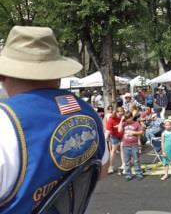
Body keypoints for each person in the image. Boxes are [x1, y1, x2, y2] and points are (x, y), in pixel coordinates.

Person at [0, 26, 109, 213]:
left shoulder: (5, 123)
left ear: (2, 75)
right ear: (57, 73)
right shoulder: (87, 112)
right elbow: (102, 170)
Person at [118, 111, 144, 181]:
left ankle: (139, 174)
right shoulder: (124, 123)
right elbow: (119, 130)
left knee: (136, 160)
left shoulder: (136, 124)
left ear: (132, 117)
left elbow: (141, 132)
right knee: (126, 161)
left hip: (134, 145)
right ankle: (128, 175)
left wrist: (133, 132)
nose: (127, 120)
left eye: (128, 118)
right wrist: (121, 120)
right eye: (126, 118)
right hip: (125, 145)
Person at [106, 107, 125, 174]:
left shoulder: (123, 118)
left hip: (122, 134)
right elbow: (108, 130)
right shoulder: (111, 119)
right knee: (113, 150)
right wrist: (105, 139)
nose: (121, 116)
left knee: (122, 148)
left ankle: (124, 164)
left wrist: (122, 121)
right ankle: (110, 166)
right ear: (116, 113)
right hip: (114, 135)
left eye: (122, 114)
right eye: (120, 114)